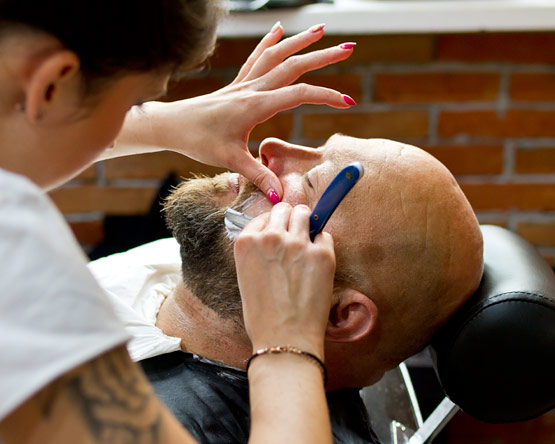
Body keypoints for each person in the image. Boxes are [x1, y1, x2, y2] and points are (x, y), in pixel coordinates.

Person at [0, 1, 358, 443]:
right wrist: (287, 345)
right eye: (136, 101)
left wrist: (164, 124)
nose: (272, 148)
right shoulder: (15, 252)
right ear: (52, 86)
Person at [89, 135, 484, 443]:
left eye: (311, 184)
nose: (271, 148)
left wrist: (286, 346)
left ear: (339, 315)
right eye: (315, 149)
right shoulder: (183, 261)